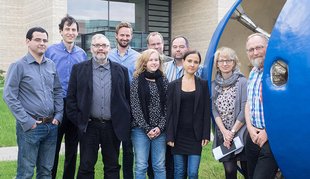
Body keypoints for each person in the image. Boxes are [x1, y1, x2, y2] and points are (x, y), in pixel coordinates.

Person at [66, 34, 131, 178]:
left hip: (112, 127)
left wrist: (123, 121)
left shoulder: (121, 71)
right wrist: (80, 120)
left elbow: (127, 99)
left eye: (104, 46)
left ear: (110, 48)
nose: (100, 48)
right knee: (86, 166)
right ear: (91, 48)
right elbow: (70, 99)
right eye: (97, 45)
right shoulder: (79, 69)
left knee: (112, 166)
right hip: (89, 127)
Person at [3, 27, 63, 178]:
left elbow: (57, 91)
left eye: (44, 40)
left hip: (51, 126)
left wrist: (59, 115)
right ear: (28, 42)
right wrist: (27, 121)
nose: (42, 43)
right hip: (30, 128)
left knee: (46, 171)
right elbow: (9, 95)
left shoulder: (51, 65)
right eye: (37, 40)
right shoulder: (18, 66)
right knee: (26, 172)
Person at [45, 15, 87, 179]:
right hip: (56, 105)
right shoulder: (50, 51)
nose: (70, 32)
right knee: (52, 148)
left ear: (77, 33)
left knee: (72, 148)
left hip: (74, 106)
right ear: (61, 31)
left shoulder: (82, 54)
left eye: (73, 29)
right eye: (67, 29)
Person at [166, 50, 211, 179]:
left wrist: (205, 134)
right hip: (178, 135)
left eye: (196, 62)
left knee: (192, 172)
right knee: (179, 172)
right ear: (184, 62)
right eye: (189, 61)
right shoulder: (173, 85)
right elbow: (169, 113)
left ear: (198, 65)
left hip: (195, 136)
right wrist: (170, 136)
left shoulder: (203, 85)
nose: (192, 64)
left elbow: (206, 111)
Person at [108, 21, 140, 179]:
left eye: (128, 35)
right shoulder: (108, 55)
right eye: (122, 35)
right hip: (110, 108)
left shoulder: (138, 58)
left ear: (131, 37)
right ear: (116, 36)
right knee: (112, 150)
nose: (125, 37)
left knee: (128, 150)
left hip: (129, 109)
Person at [130, 49, 168, 179]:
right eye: (150, 60)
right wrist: (147, 128)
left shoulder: (163, 80)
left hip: (160, 131)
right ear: (144, 63)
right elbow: (135, 107)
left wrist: (159, 127)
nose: (154, 62)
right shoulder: (136, 80)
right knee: (141, 165)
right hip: (140, 130)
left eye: (156, 60)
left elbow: (168, 107)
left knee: (159, 165)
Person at [244, 33, 278, 179]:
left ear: (268, 47)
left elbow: (283, 108)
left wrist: (268, 131)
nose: (255, 52)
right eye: (251, 49)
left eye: (259, 47)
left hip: (271, 137)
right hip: (252, 136)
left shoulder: (278, 71)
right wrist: (250, 129)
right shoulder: (252, 73)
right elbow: (248, 103)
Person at [211, 47, 248, 179]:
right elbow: (214, 109)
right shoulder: (214, 84)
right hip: (223, 135)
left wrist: (232, 132)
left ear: (234, 62)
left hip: (242, 133)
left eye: (229, 60)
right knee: (230, 171)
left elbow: (245, 108)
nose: (225, 63)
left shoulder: (242, 82)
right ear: (217, 64)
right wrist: (225, 132)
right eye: (221, 60)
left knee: (247, 170)